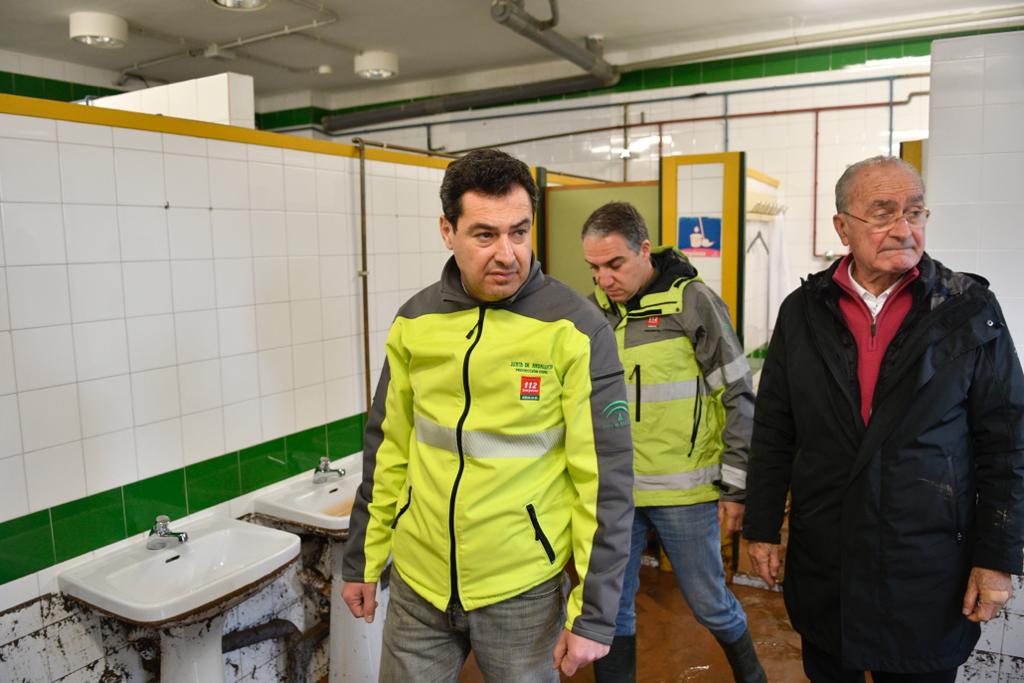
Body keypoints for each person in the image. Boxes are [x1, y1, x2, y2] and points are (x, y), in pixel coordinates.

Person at [341, 149, 634, 682]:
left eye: (519, 232)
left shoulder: (576, 329)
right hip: (418, 585)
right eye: (484, 235)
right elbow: (387, 447)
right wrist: (363, 557)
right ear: (447, 231)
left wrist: (594, 614)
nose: (507, 253)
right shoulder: (415, 321)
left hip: (522, 591)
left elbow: (606, 482)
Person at [744, 155, 1024, 681]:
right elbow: (775, 429)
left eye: (915, 212)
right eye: (882, 213)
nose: (903, 228)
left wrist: (998, 558)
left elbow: (1009, 444)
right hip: (828, 557)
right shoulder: (802, 312)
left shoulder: (966, 310)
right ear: (842, 227)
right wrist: (761, 527)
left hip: (927, 564)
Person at [581, 202, 767, 683]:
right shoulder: (593, 314)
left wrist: (735, 486)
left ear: (645, 249)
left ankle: (753, 677)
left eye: (615, 264)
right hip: (617, 494)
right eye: (594, 268)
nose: (604, 280)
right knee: (611, 608)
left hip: (683, 494)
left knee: (710, 604)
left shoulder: (693, 302)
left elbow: (739, 395)